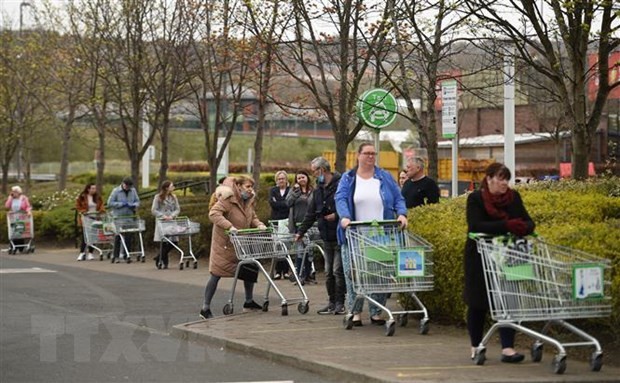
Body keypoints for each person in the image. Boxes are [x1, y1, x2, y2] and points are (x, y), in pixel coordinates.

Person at [464, 162, 535, 363]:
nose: (504, 183)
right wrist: (506, 225)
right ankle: (476, 345)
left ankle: (508, 348)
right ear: (489, 179)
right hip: (480, 255)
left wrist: (523, 227)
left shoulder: (514, 198)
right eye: (500, 178)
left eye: (506, 179)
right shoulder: (476, 199)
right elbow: (476, 224)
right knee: (478, 302)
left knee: (508, 298)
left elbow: (529, 221)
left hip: (509, 253)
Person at [335, 142, 408, 326]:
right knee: (354, 274)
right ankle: (355, 311)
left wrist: (401, 214)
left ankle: (376, 312)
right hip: (354, 235)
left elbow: (398, 197)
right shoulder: (348, 178)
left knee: (380, 274)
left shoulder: (384, 177)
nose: (370, 157)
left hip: (381, 235)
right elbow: (341, 198)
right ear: (358, 156)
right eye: (366, 153)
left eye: (373, 154)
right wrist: (344, 218)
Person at [200, 176, 267, 319]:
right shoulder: (227, 199)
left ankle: (248, 302)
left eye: (251, 187)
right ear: (238, 186)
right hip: (224, 245)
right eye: (248, 186)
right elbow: (214, 214)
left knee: (249, 269)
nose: (250, 190)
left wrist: (259, 224)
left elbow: (252, 217)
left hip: (241, 243)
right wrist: (229, 226)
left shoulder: (248, 201)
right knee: (216, 274)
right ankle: (205, 308)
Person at [296, 156, 345, 315]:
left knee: (337, 270)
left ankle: (340, 303)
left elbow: (347, 206)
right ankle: (331, 302)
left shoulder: (341, 185)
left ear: (322, 170)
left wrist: (337, 215)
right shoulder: (318, 190)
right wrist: (301, 231)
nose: (314, 176)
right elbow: (311, 213)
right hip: (326, 235)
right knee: (328, 271)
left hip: (339, 234)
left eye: (314, 172)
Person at [286, 169, 315, 284]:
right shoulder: (293, 191)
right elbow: (288, 203)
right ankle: (300, 275)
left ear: (307, 178)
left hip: (311, 225)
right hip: (297, 225)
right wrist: (295, 192)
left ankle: (308, 275)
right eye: (299, 178)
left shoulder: (313, 191)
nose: (301, 179)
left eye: (303, 177)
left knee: (309, 250)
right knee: (300, 251)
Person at [107, 177, 140, 263]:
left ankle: (126, 255)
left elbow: (137, 201)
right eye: (126, 186)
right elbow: (110, 203)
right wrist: (121, 204)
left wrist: (134, 204)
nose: (127, 188)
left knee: (128, 236)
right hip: (118, 217)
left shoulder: (133, 191)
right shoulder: (116, 191)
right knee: (118, 236)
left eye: (129, 186)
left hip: (129, 217)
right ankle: (116, 255)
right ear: (123, 184)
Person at [151, 180, 180, 269]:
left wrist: (172, 215)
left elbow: (177, 209)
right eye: (172, 186)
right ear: (166, 188)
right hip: (162, 221)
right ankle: (164, 262)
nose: (173, 187)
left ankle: (159, 257)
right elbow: (154, 210)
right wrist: (163, 216)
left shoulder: (174, 197)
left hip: (171, 221)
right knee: (164, 241)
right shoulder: (158, 197)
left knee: (174, 241)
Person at [269, 170, 291, 279]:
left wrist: (280, 203)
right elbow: (272, 204)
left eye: (282, 178)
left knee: (286, 245)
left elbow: (289, 204)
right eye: (279, 179)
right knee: (277, 245)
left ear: (286, 179)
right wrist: (283, 203)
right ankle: (278, 271)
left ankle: (286, 271)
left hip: (287, 221)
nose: (281, 180)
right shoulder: (273, 190)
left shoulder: (291, 190)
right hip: (276, 221)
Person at [75, 183, 105, 261]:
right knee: (85, 236)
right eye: (92, 188)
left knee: (93, 235)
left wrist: (101, 211)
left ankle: (91, 253)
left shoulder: (98, 197)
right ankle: (82, 253)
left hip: (95, 218)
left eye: (95, 188)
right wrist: (83, 211)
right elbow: (78, 206)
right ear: (88, 189)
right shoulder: (82, 197)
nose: (94, 190)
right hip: (86, 218)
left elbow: (102, 205)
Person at [4, 185, 32, 252]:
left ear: (19, 192)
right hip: (13, 217)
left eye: (15, 192)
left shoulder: (24, 198)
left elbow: (28, 206)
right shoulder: (11, 198)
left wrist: (28, 211)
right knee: (14, 230)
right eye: (13, 192)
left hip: (22, 216)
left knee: (21, 230)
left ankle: (21, 247)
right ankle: (13, 246)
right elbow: (7, 206)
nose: (13, 193)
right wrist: (10, 198)